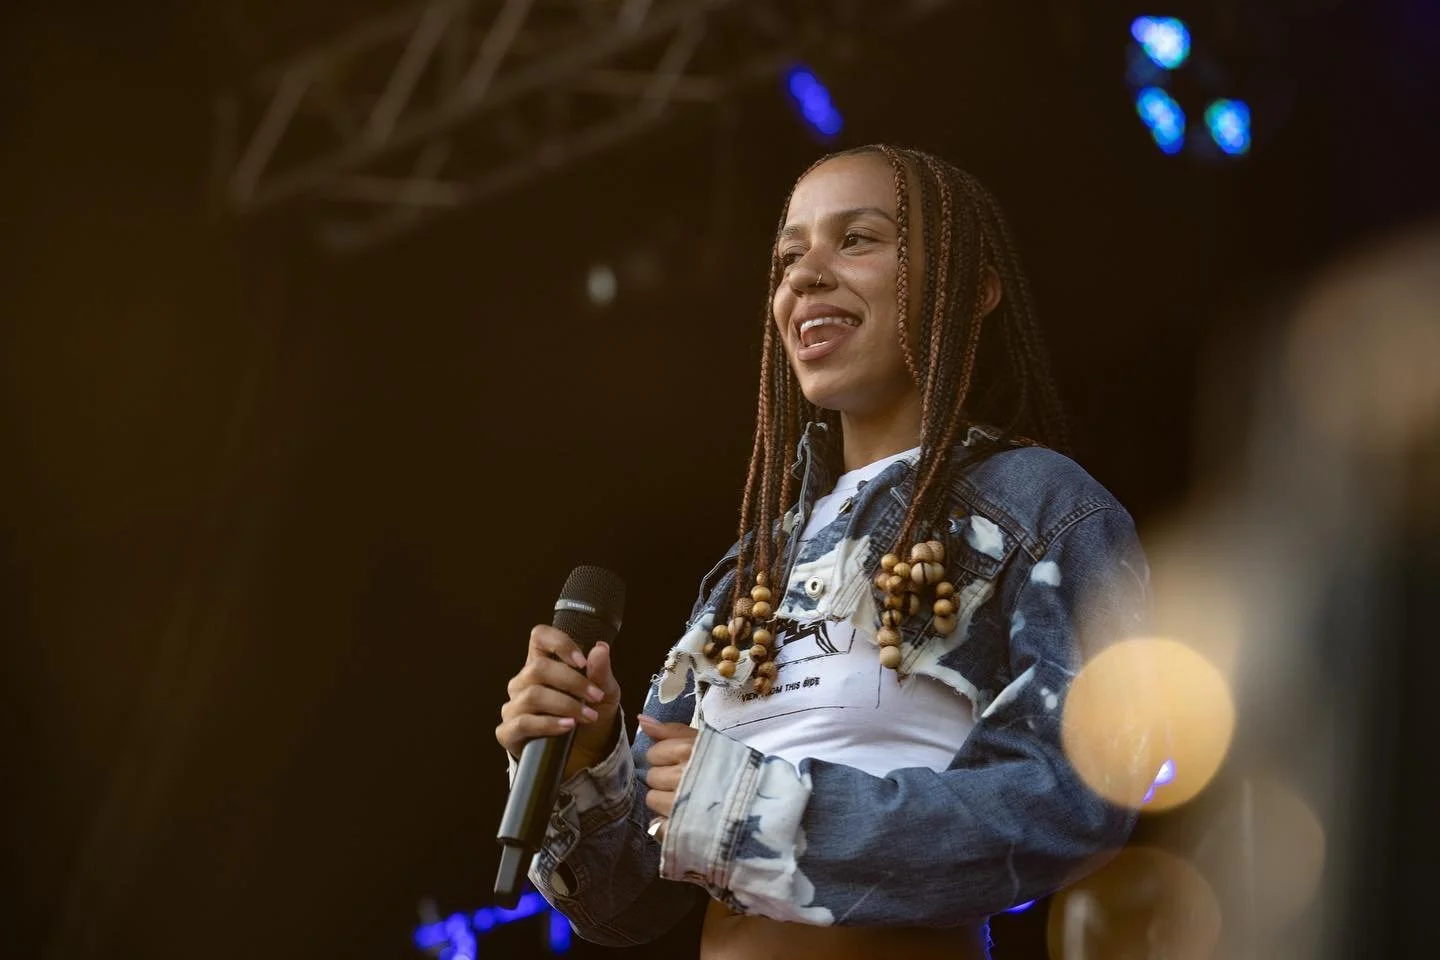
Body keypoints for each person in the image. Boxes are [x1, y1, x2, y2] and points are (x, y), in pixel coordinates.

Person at [496, 144, 1154, 959]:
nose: (805, 276)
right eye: (788, 257)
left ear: (973, 288)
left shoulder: (1042, 506)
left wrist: (762, 808)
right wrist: (588, 759)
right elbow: (626, 904)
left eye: (857, 239)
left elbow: (1079, 800)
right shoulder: (751, 568)